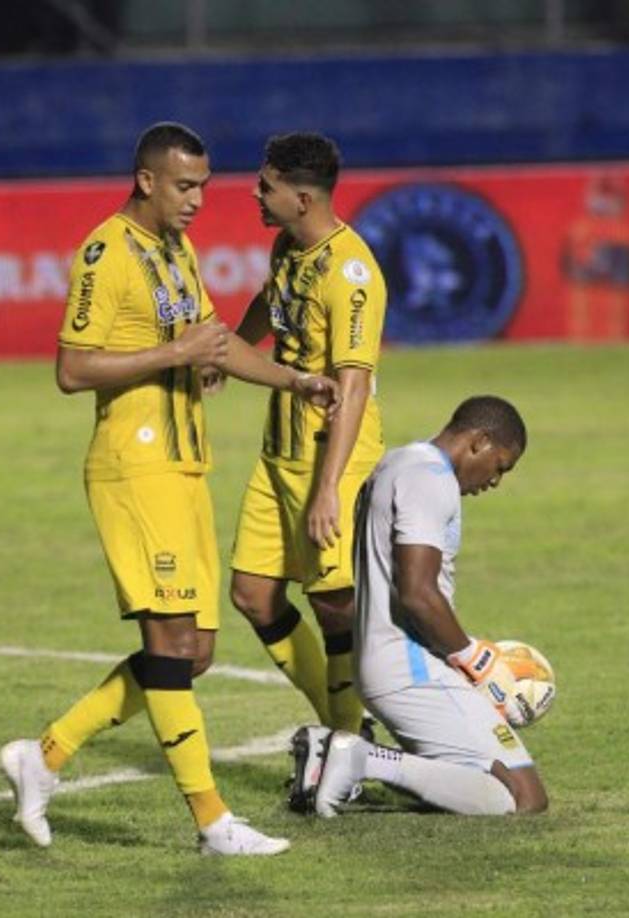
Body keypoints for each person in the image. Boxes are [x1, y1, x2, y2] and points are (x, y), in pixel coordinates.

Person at [0, 121, 340, 857]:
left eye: (204, 188)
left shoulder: (174, 250)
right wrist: (173, 353)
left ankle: (44, 756)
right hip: (134, 466)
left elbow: (215, 341)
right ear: (147, 180)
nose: (196, 201)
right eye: (184, 186)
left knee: (195, 652)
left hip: (186, 468)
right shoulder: (105, 252)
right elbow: (72, 369)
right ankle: (213, 822)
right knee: (170, 642)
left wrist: (296, 379)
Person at [293, 396, 549, 818]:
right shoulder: (430, 479)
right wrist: (476, 661)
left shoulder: (397, 463)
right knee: (524, 798)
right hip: (410, 669)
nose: (495, 481)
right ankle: (360, 758)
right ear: (478, 442)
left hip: (386, 662)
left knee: (455, 778)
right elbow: (417, 592)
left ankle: (323, 761)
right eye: (500, 466)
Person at [229, 133, 387, 761]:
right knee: (252, 593)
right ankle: (345, 726)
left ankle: (350, 747)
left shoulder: (352, 274)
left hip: (333, 453)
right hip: (279, 450)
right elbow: (273, 302)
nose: (254, 194)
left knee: (333, 602)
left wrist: (328, 489)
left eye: (264, 185)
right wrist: (231, 349)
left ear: (300, 196)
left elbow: (353, 386)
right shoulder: (287, 247)